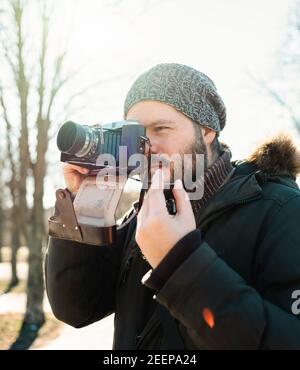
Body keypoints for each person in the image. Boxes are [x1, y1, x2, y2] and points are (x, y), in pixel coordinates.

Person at [45, 63, 300, 349]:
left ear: (206, 130)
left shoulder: (282, 210)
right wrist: (88, 207)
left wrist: (181, 263)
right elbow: (77, 309)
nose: (146, 146)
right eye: (138, 133)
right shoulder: (144, 216)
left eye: (161, 128)